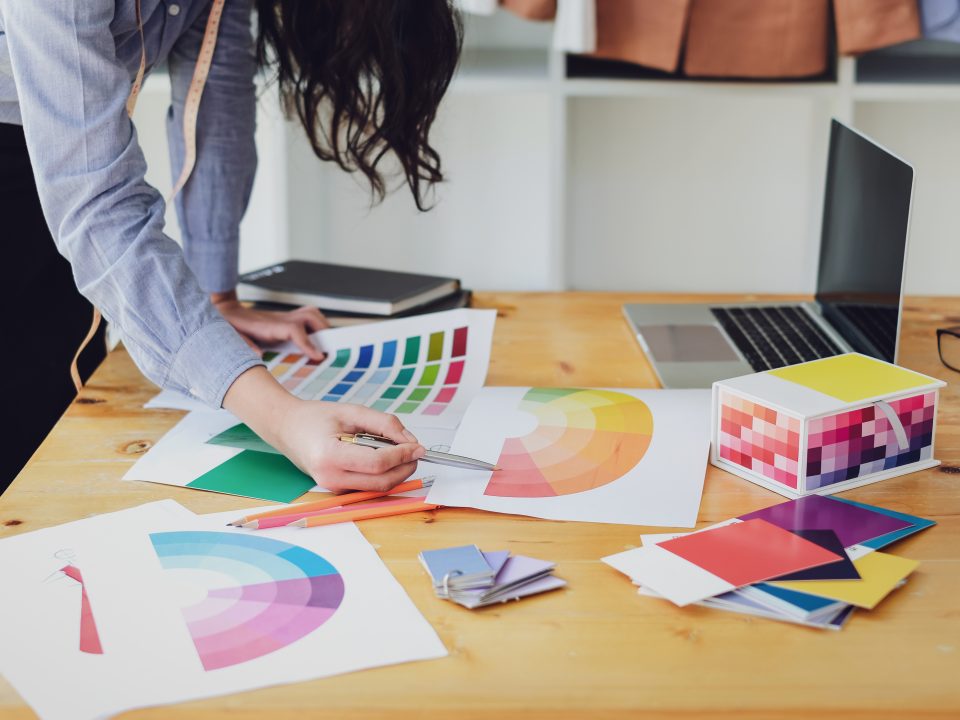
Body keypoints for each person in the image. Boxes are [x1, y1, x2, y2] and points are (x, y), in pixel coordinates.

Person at [0, 0, 463, 491]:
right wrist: (283, 419)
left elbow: (217, 111)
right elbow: (98, 205)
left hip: (53, 178)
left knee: (61, 443)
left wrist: (218, 296)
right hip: (50, 178)